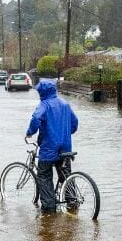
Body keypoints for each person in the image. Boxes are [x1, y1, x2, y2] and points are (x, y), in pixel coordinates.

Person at [26, 79, 78, 212]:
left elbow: (36, 118)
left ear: (42, 92)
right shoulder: (65, 104)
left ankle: (49, 208)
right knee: (66, 174)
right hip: (66, 147)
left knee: (43, 175)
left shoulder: (44, 104)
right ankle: (72, 202)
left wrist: (30, 133)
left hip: (49, 147)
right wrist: (66, 132)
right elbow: (75, 122)